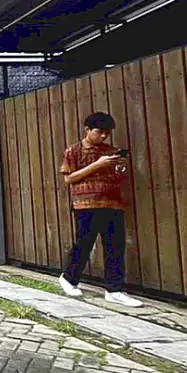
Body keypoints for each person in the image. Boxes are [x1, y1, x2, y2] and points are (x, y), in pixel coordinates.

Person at [58, 112, 143, 308]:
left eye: (107, 133)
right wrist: (97, 165)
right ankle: (69, 278)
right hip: (86, 204)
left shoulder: (111, 151)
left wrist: (119, 168)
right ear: (87, 129)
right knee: (84, 244)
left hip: (112, 203)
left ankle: (114, 290)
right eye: (99, 132)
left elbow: (118, 178)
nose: (103, 136)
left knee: (115, 247)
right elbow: (69, 178)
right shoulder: (73, 151)